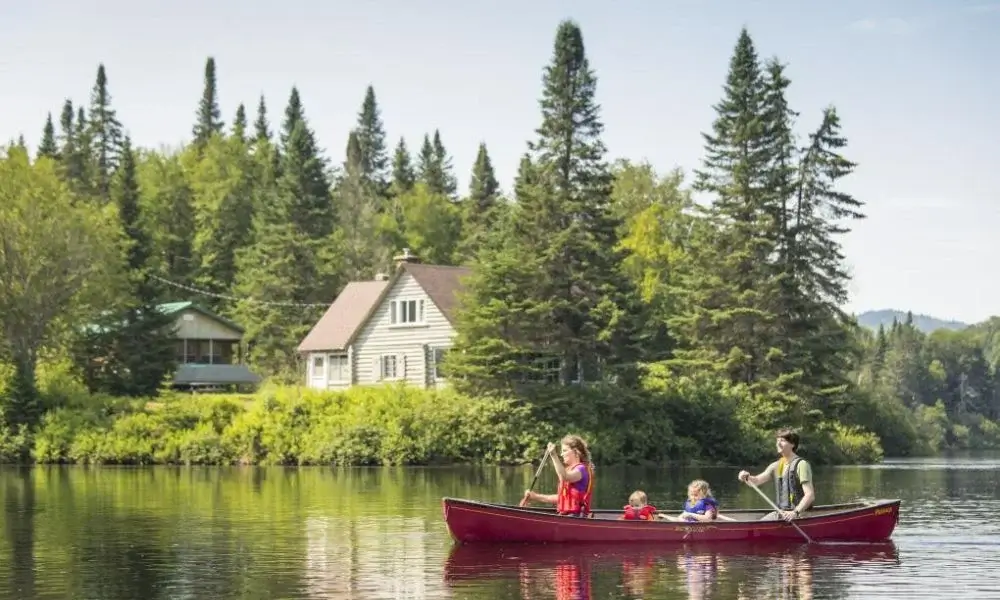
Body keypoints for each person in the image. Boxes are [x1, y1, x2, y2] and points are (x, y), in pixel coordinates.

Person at [737, 428, 815, 521]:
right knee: (757, 524)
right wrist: (746, 477)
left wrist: (795, 512)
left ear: (792, 444)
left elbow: (810, 495)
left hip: (800, 515)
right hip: (782, 513)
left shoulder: (802, 465)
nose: (778, 443)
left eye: (782, 441)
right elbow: (756, 481)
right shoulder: (776, 465)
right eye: (777, 441)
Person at [522, 434, 595, 517]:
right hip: (566, 515)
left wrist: (553, 455)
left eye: (564, 451)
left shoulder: (581, 469)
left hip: (576, 516)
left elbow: (565, 477)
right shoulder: (568, 470)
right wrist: (535, 496)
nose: (561, 454)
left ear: (576, 452)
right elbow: (560, 498)